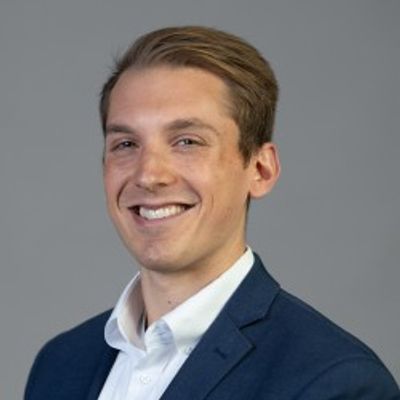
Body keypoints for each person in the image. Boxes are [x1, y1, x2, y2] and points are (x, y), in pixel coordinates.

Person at [24, 26, 400, 400]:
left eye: (187, 141)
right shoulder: (60, 364)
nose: (149, 174)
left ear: (260, 170)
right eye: (126, 144)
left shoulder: (337, 382)